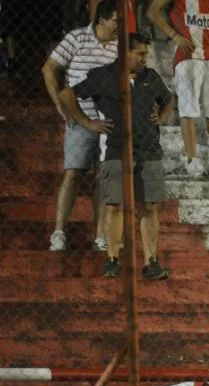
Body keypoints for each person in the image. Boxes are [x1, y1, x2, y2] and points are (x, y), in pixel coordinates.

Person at [59, 32, 175, 280]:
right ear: (124, 54)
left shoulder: (150, 77)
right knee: (114, 206)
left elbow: (169, 99)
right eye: (140, 54)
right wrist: (87, 122)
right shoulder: (103, 76)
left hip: (149, 150)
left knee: (150, 206)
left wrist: (162, 117)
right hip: (115, 149)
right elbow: (67, 94)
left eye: (146, 53)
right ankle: (112, 260)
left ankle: (151, 262)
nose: (145, 58)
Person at [42, 0, 117, 253]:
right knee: (72, 174)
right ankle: (59, 232)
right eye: (116, 21)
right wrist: (60, 106)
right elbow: (49, 69)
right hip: (80, 119)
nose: (120, 26)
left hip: (109, 123)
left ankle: (100, 235)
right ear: (102, 20)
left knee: (103, 178)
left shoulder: (121, 45)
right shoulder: (77, 38)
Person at [148, 0, 209, 177]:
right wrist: (174, 36)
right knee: (188, 109)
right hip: (187, 57)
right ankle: (192, 160)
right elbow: (152, 11)